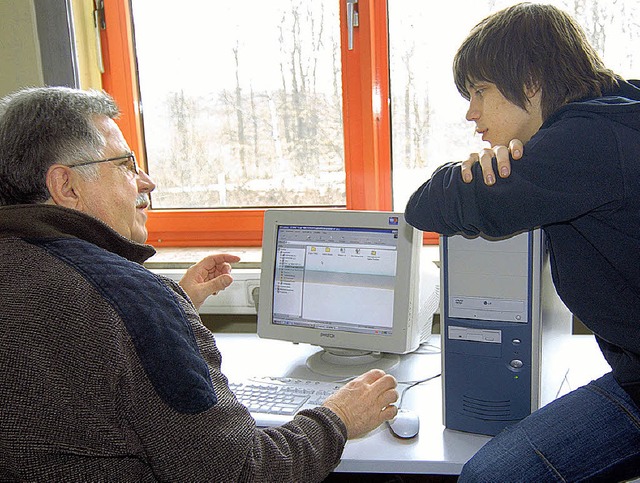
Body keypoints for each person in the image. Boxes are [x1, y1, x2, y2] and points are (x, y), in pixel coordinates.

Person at [0, 86, 398, 481]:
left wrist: (173, 305)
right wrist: (339, 417)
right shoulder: (130, 304)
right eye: (126, 164)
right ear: (67, 186)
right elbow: (243, 471)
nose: (146, 181)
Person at [404, 3, 640, 481]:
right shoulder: (618, 113)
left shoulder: (587, 141)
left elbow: (424, 206)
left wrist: (467, 172)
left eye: (480, 91)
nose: (471, 113)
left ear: (531, 79)